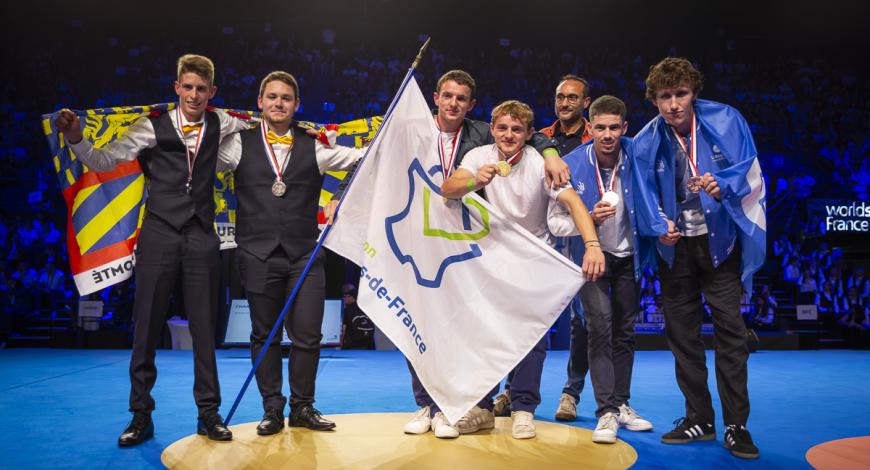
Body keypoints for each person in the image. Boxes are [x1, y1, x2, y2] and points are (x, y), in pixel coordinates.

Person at [55, 54, 249, 446]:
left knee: (204, 328)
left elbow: (261, 129)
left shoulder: (223, 122)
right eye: (187, 87)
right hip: (159, 233)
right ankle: (140, 415)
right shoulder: (150, 126)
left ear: (212, 92)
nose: (193, 95)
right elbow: (104, 160)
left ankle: (208, 414)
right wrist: (76, 136)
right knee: (145, 327)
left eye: (201, 89)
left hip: (201, 235)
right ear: (176, 88)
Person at [395, 70, 568, 440]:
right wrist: (341, 195)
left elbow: (526, 133)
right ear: (435, 98)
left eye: (461, 98)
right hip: (415, 235)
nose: (453, 103)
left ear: (471, 105)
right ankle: (428, 405)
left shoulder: (479, 135)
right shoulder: (411, 130)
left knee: (469, 329)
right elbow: (374, 161)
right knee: (420, 322)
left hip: (464, 244)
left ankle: (466, 406)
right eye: (447, 96)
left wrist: (551, 152)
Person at [442, 99, 605, 439]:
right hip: (489, 262)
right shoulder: (478, 156)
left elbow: (574, 202)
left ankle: (523, 409)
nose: (508, 135)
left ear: (530, 133)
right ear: (492, 129)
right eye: (502, 128)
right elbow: (448, 188)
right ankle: (481, 408)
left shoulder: (539, 163)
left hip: (533, 261)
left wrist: (592, 245)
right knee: (484, 335)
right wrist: (474, 181)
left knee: (531, 338)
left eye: (516, 129)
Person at [631, 57, 766, 459]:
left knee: (731, 334)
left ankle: (737, 425)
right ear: (654, 99)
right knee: (682, 338)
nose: (673, 104)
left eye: (681, 94)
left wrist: (722, 184)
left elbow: (750, 169)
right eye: (664, 96)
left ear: (694, 93)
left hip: (719, 243)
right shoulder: (646, 140)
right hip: (676, 249)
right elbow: (641, 193)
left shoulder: (726, 120)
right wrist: (658, 225)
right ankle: (700, 419)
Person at [217, 71, 365, 435]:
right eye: (272, 97)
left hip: (304, 256)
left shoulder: (316, 145)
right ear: (260, 102)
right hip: (257, 254)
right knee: (264, 335)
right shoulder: (237, 144)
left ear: (297, 104)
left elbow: (363, 159)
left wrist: (341, 198)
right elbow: (197, 153)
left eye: (286, 98)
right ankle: (272, 408)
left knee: (308, 334)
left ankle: (302, 407)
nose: (278, 103)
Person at [548, 95, 652, 444]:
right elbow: (555, 222)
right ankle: (606, 411)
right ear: (589, 128)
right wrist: (587, 219)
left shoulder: (637, 157)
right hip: (590, 260)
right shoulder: (571, 164)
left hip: (628, 257)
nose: (608, 135)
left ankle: (621, 404)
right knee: (600, 328)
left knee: (625, 332)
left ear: (625, 128)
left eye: (614, 128)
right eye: (601, 128)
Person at [340, 283, 375, 350]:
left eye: (345, 296)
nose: (344, 299)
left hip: (352, 347)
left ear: (351, 296)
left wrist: (341, 344)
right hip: (369, 346)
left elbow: (344, 328)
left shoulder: (347, 310)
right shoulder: (365, 307)